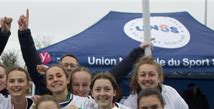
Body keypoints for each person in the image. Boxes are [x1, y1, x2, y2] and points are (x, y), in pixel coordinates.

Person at [17, 9, 146, 95]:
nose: (68, 67)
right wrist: (24, 33)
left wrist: (138, 51)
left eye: (72, 65)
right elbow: (31, 60)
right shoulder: (51, 88)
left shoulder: (91, 89)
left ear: (78, 69)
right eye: (65, 65)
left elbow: (116, 73)